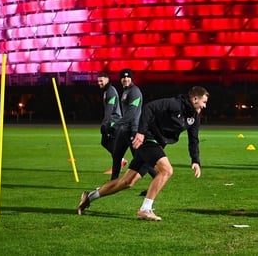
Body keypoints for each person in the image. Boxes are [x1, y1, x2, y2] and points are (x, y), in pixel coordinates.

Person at [77, 86, 210, 221]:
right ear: (194, 99)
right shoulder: (175, 103)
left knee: (127, 182)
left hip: (156, 144)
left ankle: (89, 196)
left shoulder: (194, 117)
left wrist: (195, 161)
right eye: (203, 102)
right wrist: (140, 132)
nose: (204, 106)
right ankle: (145, 209)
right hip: (147, 139)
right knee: (166, 171)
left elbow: (193, 140)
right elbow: (148, 108)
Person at [110, 68, 157, 182]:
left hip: (133, 130)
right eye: (123, 77)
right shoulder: (125, 91)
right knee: (116, 155)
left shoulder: (135, 91)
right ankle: (113, 181)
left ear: (131, 78)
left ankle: (157, 178)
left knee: (142, 159)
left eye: (128, 77)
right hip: (124, 130)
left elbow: (131, 113)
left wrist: (117, 123)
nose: (125, 79)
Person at [97, 72, 127, 174]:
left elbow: (109, 109)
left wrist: (105, 124)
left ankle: (119, 163)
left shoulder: (110, 91)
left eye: (101, 81)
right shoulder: (107, 91)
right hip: (111, 121)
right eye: (98, 81)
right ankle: (121, 160)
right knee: (105, 142)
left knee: (112, 143)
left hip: (114, 122)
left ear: (107, 80)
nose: (99, 83)